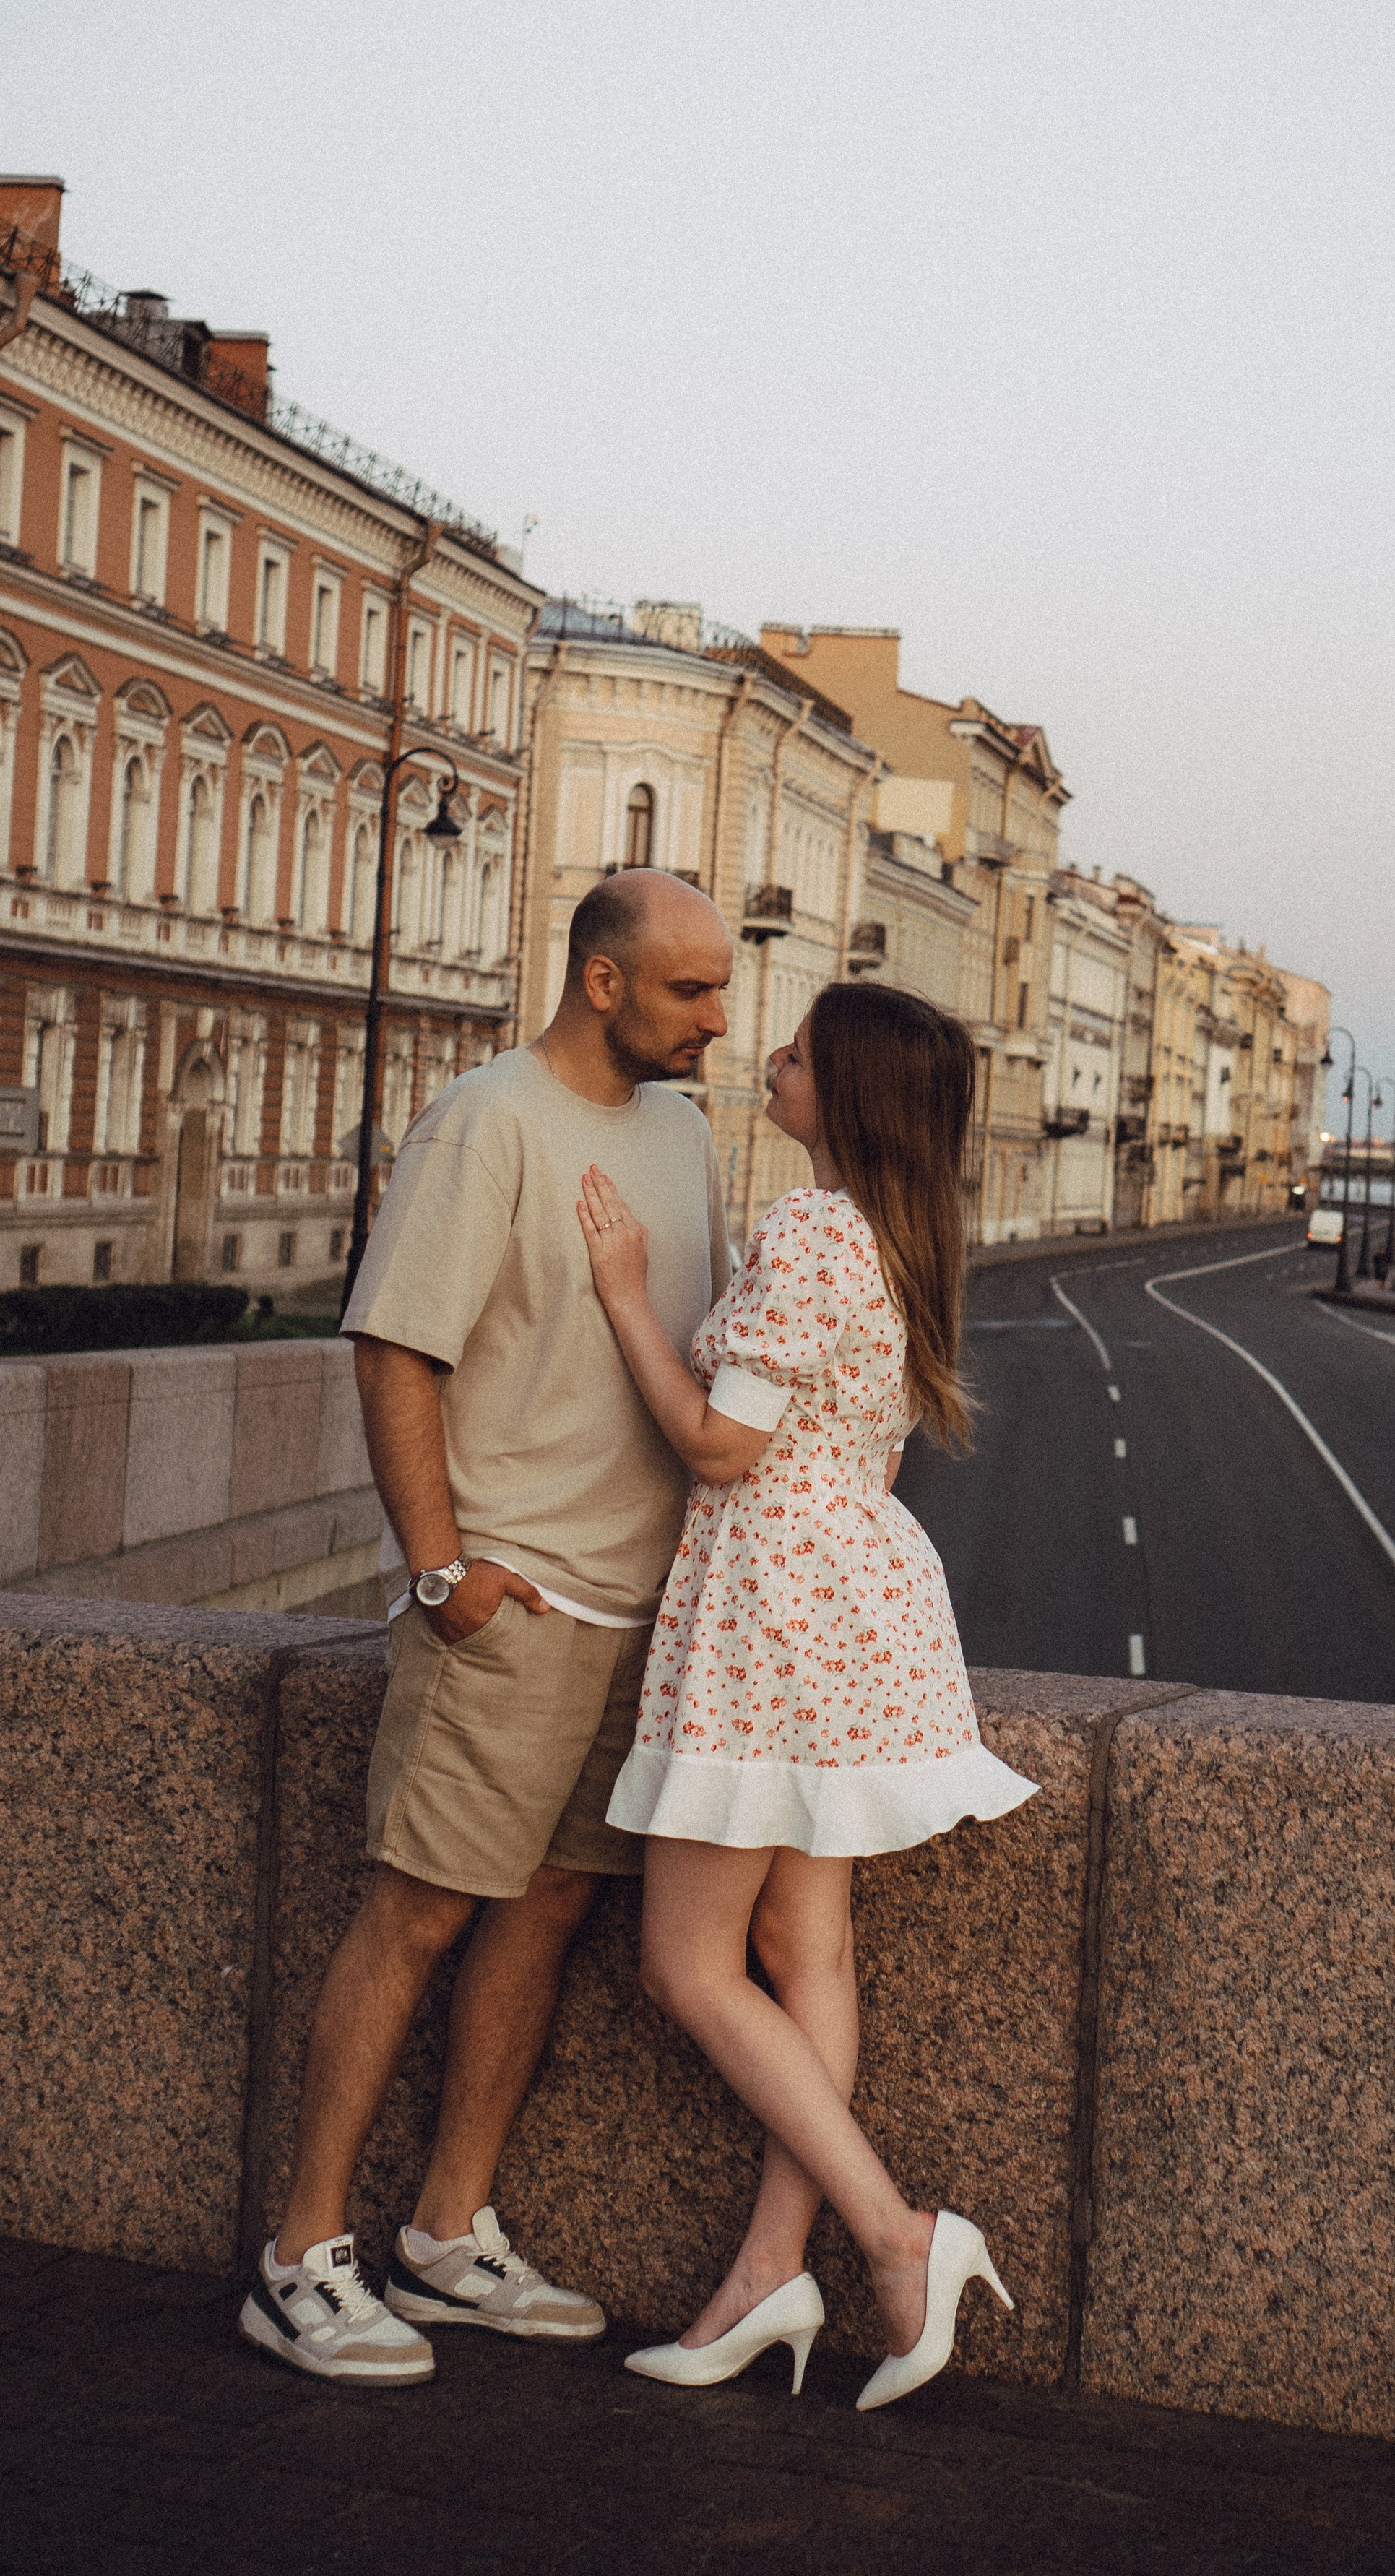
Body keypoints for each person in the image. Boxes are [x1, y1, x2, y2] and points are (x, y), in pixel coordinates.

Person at [239, 871, 735, 2387]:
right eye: (688, 992)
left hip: (639, 1606)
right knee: (419, 1911)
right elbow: (397, 1351)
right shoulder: (485, 1120)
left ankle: (448, 2236)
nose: (718, 1019)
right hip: (510, 1602)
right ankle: (299, 2257)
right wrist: (443, 1570)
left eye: (719, 991)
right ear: (601, 981)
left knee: (547, 1911)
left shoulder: (685, 1131)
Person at [575, 980, 1037, 2413]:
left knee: (689, 1966)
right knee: (804, 1946)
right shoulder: (905, 1239)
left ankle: (897, 2238)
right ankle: (768, 2271)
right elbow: (873, 1455)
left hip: (771, 1610)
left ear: (839, 1095)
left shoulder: (814, 1229)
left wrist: (621, 1300)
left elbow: (719, 1445)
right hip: (859, 1597)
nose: (765, 1062)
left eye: (792, 1054)